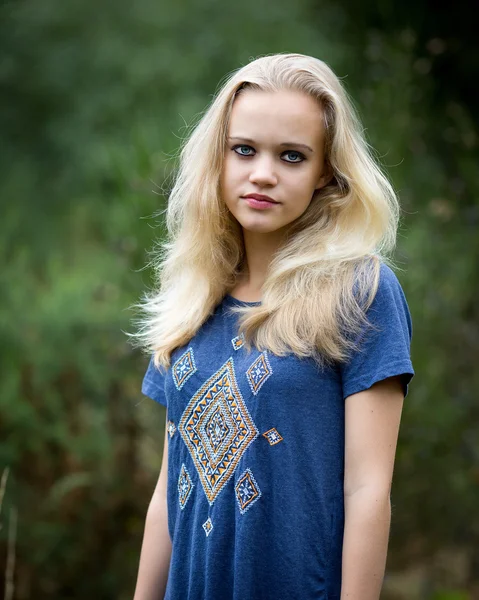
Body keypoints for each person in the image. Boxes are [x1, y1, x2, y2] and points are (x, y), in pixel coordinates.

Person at [132, 53, 414, 600]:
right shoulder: (190, 297)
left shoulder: (362, 292)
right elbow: (168, 492)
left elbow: (368, 488)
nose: (263, 173)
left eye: (292, 155)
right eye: (244, 150)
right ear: (218, 158)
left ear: (325, 174)